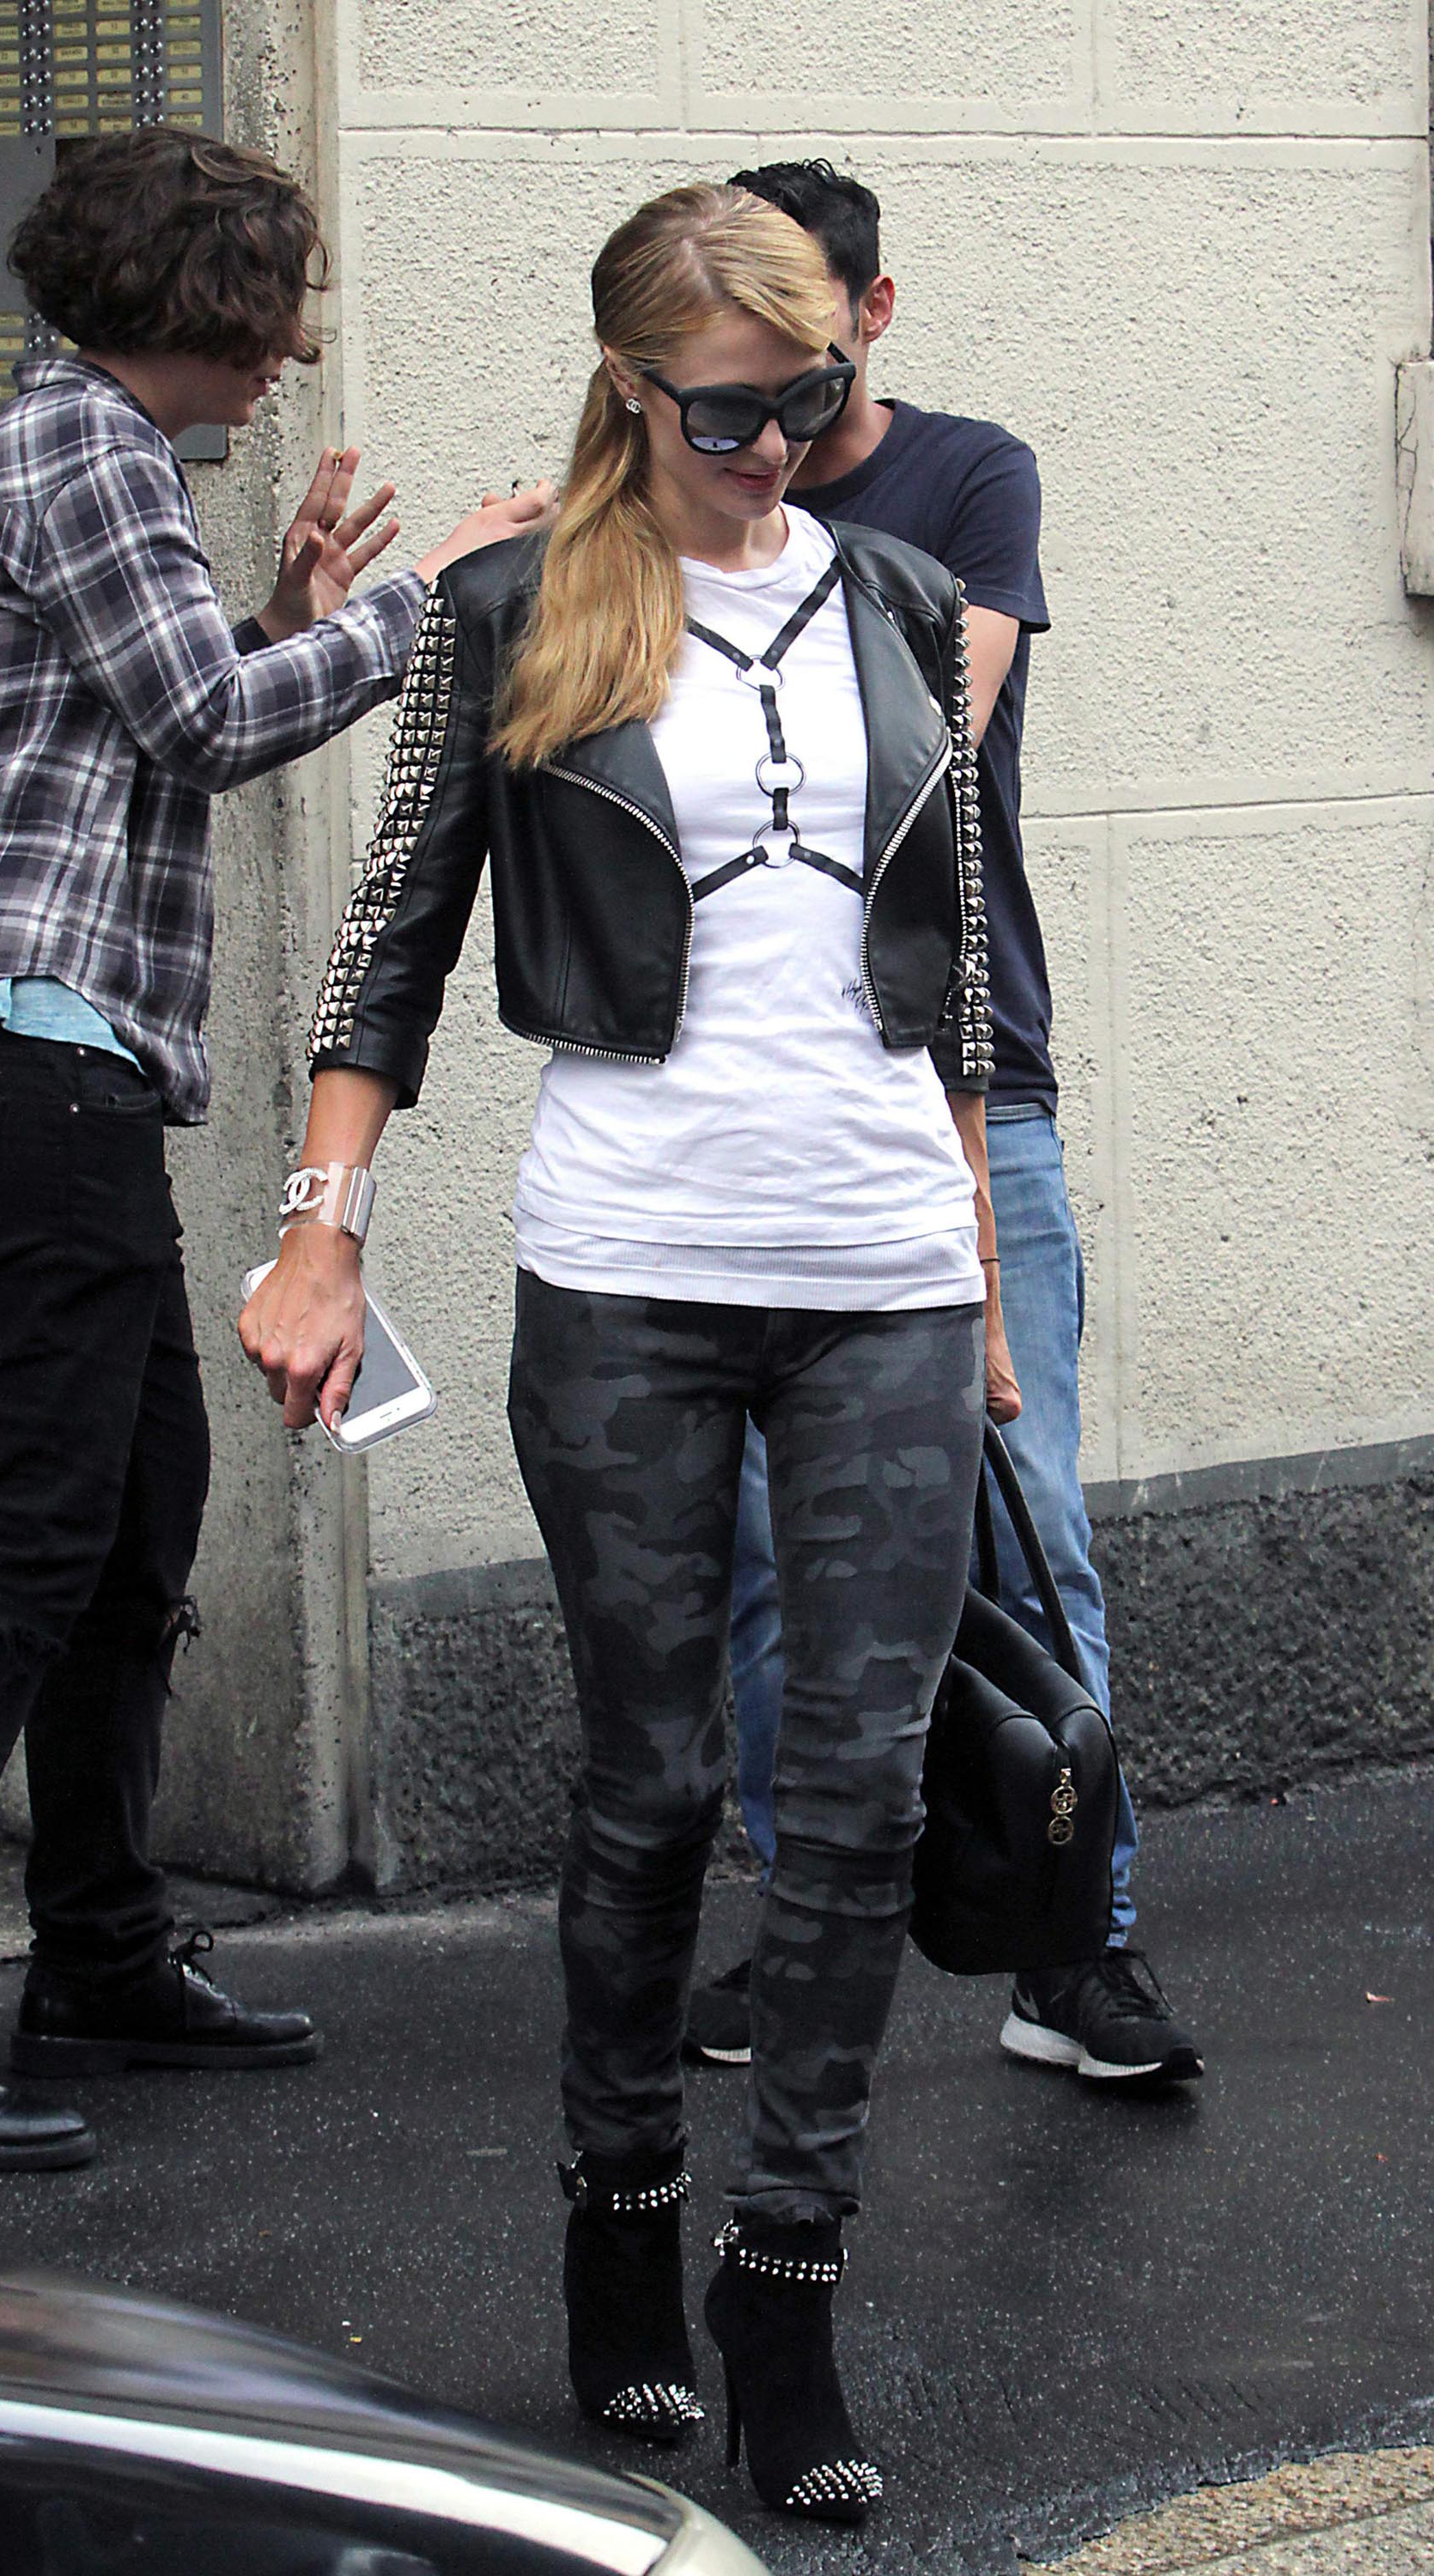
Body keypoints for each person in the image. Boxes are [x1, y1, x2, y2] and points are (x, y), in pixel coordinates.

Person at [241, 180, 1013, 2527]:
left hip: (881, 1263)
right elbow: (389, 943)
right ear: (628, 388)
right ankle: (621, 2214)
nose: (772, 447)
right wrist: (320, 1236)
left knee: (859, 1799)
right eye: (725, 411)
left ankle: (786, 2284)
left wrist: (981, 1257)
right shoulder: (517, 608)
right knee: (654, 1785)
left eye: (811, 400)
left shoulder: (901, 596)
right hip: (633, 1268)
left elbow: (958, 958)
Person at [0, 125, 547, 2174]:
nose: (294, 350)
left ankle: (101, 1947)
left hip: (45, 1058)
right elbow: (205, 727)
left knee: (137, 1517)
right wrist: (411, 605)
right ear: (205, 304)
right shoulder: (84, 449)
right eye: (277, 309)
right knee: (26, 1537)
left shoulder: (89, 458)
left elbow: (153, 706)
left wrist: (284, 614)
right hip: (2, 1044)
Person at [679, 158, 1202, 2092]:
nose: (766, 403)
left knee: (1024, 1520)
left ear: (868, 314)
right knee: (766, 1560)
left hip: (975, 1071)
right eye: (727, 363)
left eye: (800, 344)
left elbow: (924, 735)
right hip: (741, 1100)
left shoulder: (967, 480)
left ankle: (1078, 1946)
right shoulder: (670, 503)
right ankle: (805, 1932)